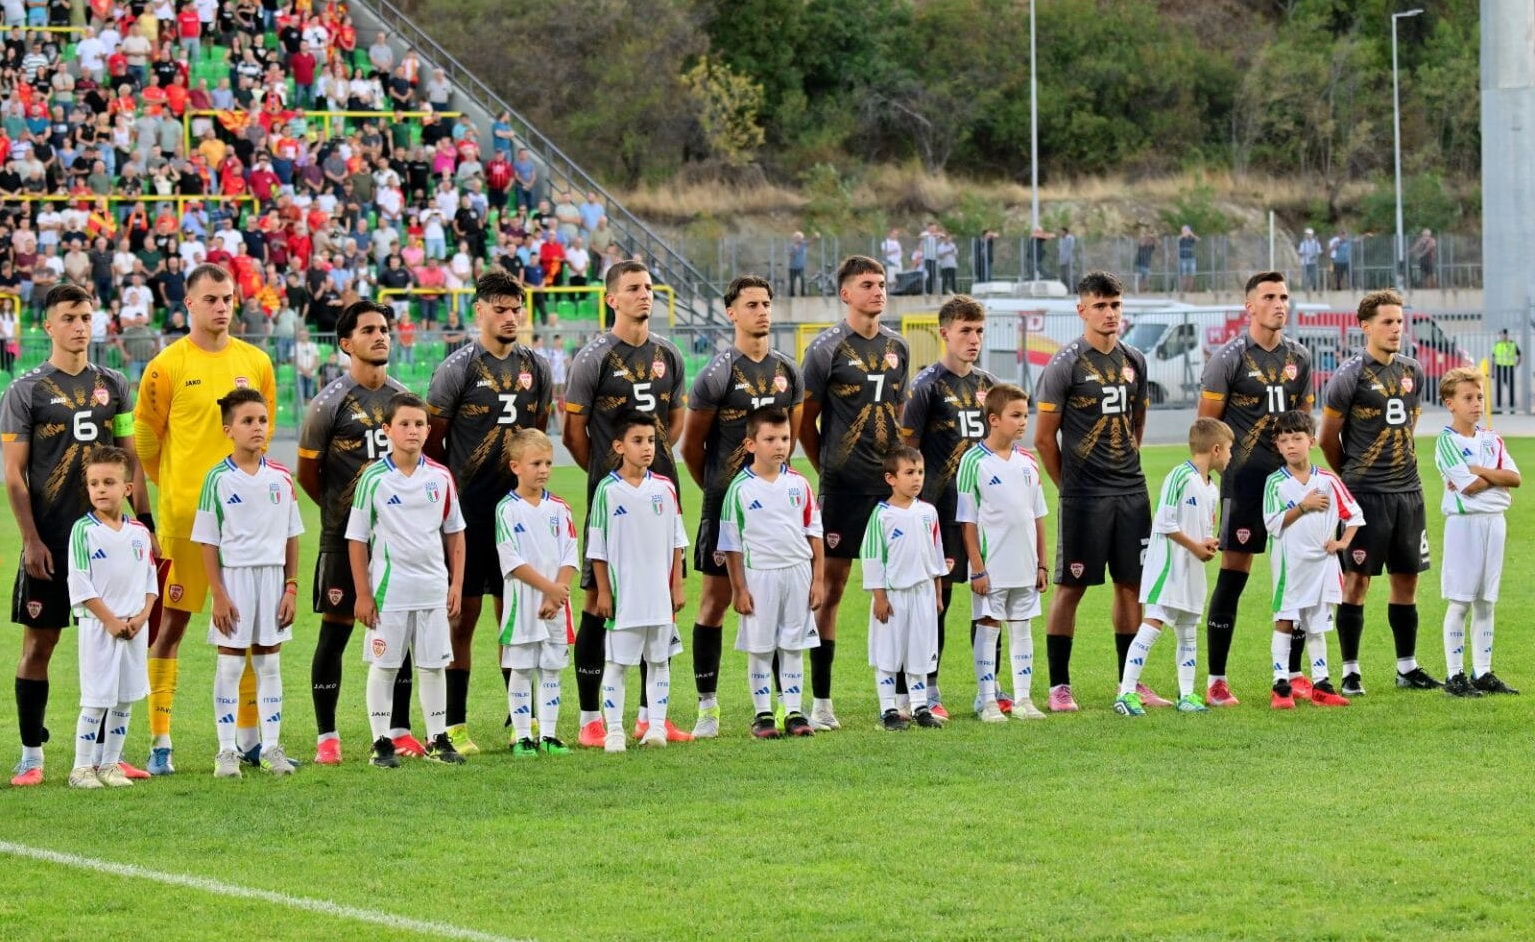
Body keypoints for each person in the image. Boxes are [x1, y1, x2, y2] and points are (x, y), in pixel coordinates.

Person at [134, 264, 277, 775]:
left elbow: (262, 431)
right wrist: (176, 488)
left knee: (251, 627)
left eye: (228, 298)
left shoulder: (256, 362)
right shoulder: (166, 366)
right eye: (211, 299)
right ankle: (160, 741)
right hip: (185, 522)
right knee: (170, 627)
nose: (221, 307)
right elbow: (145, 441)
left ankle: (250, 740)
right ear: (189, 304)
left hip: (247, 525)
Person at [5, 284, 149, 788]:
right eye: (68, 318)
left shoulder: (114, 384)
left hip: (109, 541)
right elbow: (13, 474)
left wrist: (145, 524)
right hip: (51, 538)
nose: (79, 326)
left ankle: (109, 757)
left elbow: (130, 459)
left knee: (117, 638)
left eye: (86, 317)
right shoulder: (26, 390)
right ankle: (31, 755)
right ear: (49, 326)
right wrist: (31, 540)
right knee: (40, 643)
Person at [425, 270, 551, 754]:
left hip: (517, 514)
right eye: (500, 309)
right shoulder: (457, 368)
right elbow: (434, 442)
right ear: (479, 311)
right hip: (469, 514)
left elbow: (536, 434)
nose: (510, 317)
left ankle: (521, 719)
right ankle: (454, 723)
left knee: (516, 616)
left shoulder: (536, 367)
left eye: (516, 309)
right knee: (463, 615)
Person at [564, 261, 687, 748]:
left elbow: (674, 422)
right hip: (612, 495)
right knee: (599, 602)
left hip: (658, 495)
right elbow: (574, 434)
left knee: (661, 599)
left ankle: (649, 718)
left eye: (649, 288)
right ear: (612, 299)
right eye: (633, 288)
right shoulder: (593, 358)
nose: (644, 295)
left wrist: (652, 465)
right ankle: (590, 718)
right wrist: (605, 470)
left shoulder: (668, 354)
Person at [299, 300, 424, 765]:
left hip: (397, 539)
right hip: (342, 537)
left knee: (401, 631)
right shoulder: (328, 403)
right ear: (346, 343)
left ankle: (400, 729)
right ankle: (327, 736)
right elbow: (308, 474)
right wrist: (345, 516)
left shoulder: (403, 398)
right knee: (335, 631)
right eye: (369, 330)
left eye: (384, 329)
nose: (380, 336)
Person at [679, 275, 802, 738]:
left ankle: (784, 708)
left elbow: (792, 436)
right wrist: (720, 492)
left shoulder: (788, 371)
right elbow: (692, 448)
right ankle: (707, 707)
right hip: (726, 508)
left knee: (777, 604)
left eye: (766, 303)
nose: (762, 311)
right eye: (752, 304)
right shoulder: (716, 374)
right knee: (714, 603)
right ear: (732, 313)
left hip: (777, 511)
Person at [1033, 271, 1152, 713]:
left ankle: (1130, 683)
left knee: (1131, 585)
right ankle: (1059, 687)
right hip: (1084, 496)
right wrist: (1069, 487)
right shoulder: (1065, 364)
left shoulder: (1135, 360)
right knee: (1072, 586)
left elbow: (1137, 421)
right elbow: (1044, 438)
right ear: (1081, 310)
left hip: (1131, 491)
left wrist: (1126, 462)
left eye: (1115, 305)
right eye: (1100, 305)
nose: (1109, 313)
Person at [798, 256, 909, 731]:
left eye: (881, 283)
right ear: (846, 294)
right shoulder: (825, 349)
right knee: (831, 590)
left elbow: (899, 415)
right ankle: (822, 702)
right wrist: (828, 465)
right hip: (843, 489)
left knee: (899, 587)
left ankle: (903, 696)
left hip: (889, 490)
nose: (878, 291)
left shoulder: (899, 347)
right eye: (867, 284)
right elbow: (804, 421)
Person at [1197, 272, 1314, 706]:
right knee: (1234, 575)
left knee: (1298, 576)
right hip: (1244, 484)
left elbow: (1304, 423)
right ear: (1250, 306)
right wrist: (1208, 480)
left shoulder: (1300, 357)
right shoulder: (1228, 359)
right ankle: (1216, 680)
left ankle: (1294, 675)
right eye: (1269, 297)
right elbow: (1206, 427)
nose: (1279, 304)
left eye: (1283, 296)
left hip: (1290, 485)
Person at [1319, 289, 1440, 696]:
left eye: (1399, 321)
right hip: (1365, 495)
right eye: (1387, 322)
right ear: (1365, 326)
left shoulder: (1411, 370)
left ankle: (1407, 667)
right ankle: (1351, 671)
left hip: (1408, 492)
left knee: (1407, 578)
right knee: (1356, 581)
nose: (1396, 329)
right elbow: (1327, 438)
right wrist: (1351, 477)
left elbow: (1409, 424)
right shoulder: (1349, 375)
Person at [346, 392, 468, 768]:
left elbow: (455, 533)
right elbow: (356, 539)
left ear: (428, 430)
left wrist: (456, 584)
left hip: (432, 589)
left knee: (433, 666)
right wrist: (363, 594)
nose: (412, 430)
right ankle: (381, 742)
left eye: (419, 424)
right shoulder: (374, 479)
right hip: (390, 591)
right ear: (387, 430)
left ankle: (438, 739)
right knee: (385, 667)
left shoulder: (440, 477)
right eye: (404, 424)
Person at [191, 388, 303, 777]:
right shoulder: (217, 479)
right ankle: (226, 751)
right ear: (229, 430)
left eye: (263, 420)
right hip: (234, 578)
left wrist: (291, 587)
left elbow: (292, 535)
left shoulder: (281, 477)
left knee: (270, 663)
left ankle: (271, 748)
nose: (257, 427)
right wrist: (218, 594)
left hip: (273, 579)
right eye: (248, 421)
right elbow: (208, 541)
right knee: (231, 665)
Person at [900, 295, 994, 718]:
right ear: (944, 333)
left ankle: (989, 687)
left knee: (989, 599)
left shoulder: (989, 386)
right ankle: (928, 688)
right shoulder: (926, 387)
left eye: (979, 331)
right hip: (941, 512)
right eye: (965, 331)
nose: (974, 339)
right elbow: (908, 453)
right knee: (938, 601)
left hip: (985, 515)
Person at [717, 406, 823, 739]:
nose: (780, 445)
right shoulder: (740, 489)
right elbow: (731, 545)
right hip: (760, 576)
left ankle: (794, 712)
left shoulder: (799, 484)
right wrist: (739, 589)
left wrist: (818, 579)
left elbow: (814, 532)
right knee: (760, 647)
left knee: (793, 645)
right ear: (751, 444)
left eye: (785, 438)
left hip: (797, 573)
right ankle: (763, 715)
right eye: (770, 439)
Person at [1113, 418, 1232, 716]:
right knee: (1153, 625)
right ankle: (1126, 693)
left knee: (1188, 631)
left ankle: (1187, 695)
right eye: (1230, 449)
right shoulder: (1179, 476)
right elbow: (1165, 523)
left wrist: (1207, 544)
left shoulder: (1211, 488)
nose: (1231, 456)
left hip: (1192, 570)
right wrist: (1195, 547)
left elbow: (1203, 528)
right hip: (1168, 568)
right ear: (1216, 449)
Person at [588, 410, 688, 753]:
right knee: (618, 663)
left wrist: (677, 585)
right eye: (638, 441)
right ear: (619, 446)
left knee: (659, 661)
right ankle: (614, 731)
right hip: (624, 595)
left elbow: (677, 540)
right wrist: (604, 591)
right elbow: (597, 548)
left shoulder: (665, 488)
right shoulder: (607, 491)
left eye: (651, 441)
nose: (647, 448)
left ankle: (656, 727)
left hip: (658, 594)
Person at [64, 446, 159, 789]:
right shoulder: (83, 531)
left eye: (109, 482)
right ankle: (81, 768)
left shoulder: (139, 532)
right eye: (94, 484)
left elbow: (150, 580)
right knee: (96, 700)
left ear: (127, 488)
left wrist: (142, 617)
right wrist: (109, 621)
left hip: (134, 628)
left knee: (124, 699)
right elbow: (80, 582)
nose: (100, 489)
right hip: (100, 628)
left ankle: (109, 765)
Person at [955, 384, 1047, 722]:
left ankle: (1023, 699)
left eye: (1025, 415)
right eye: (1016, 415)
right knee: (988, 625)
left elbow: (1037, 515)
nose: (1023, 422)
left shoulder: (1029, 461)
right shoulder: (973, 461)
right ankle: (988, 700)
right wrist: (977, 568)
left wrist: (1042, 564)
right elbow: (967, 521)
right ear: (994, 419)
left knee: (1022, 628)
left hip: (1025, 564)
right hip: (992, 566)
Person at [1262, 410, 1361, 709]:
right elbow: (1272, 523)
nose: (1291, 445)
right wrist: (1303, 506)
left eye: (1297, 439)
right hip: (1289, 566)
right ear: (1278, 446)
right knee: (1285, 620)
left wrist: (1342, 543)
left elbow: (1354, 515)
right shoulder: (1275, 483)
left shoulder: (1328, 480)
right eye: (1284, 441)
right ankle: (1281, 684)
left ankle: (1321, 683)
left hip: (1322, 566)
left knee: (1317, 626)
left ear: (1312, 441)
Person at [1433, 369, 1521, 697]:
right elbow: (1468, 487)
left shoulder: (1491, 439)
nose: (1476, 403)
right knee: (1460, 601)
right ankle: (1455, 675)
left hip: (1495, 522)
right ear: (1450, 403)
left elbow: (1514, 478)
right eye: (1468, 398)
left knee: (1486, 601)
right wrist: (1494, 480)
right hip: (1464, 525)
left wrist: (1481, 471)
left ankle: (1482, 672)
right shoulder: (1447, 441)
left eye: (1480, 397)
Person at [495, 429, 578, 757]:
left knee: (552, 668)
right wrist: (549, 590)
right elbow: (512, 562)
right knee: (522, 668)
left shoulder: (560, 508)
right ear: (516, 466)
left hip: (555, 606)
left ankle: (549, 734)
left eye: (548, 463)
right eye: (536, 463)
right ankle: (522, 736)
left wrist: (558, 594)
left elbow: (570, 553)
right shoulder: (507, 509)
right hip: (523, 606)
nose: (543, 470)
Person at [862, 447, 947, 732]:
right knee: (888, 654)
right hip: (894, 596)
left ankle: (920, 706)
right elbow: (872, 558)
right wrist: (879, 597)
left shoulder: (928, 513)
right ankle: (888, 709)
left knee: (920, 652)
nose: (917, 478)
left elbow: (936, 556)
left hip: (923, 594)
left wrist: (937, 594)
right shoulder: (882, 516)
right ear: (891, 478)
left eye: (920, 472)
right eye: (909, 473)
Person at [1492, 329, 1520, 414]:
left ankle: (1512, 408)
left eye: (1502, 335)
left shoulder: (1512, 344)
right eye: (1500, 335)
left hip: (1509, 368)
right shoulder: (1497, 344)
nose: (1501, 336)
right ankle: (1498, 409)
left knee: (1511, 388)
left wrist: (1516, 366)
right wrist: (1493, 371)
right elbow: (1493, 358)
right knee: (1498, 389)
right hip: (1499, 367)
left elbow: (1519, 355)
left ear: (1506, 335)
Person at [1177, 225, 1198, 293]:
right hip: (1183, 258)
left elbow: (1198, 240)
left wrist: (1192, 234)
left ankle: (1189, 290)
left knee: (1192, 274)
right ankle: (1182, 290)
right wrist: (1182, 235)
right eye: (1184, 230)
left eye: (1187, 230)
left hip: (1191, 258)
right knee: (1183, 274)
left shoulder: (1191, 239)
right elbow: (1176, 240)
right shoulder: (1181, 239)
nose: (1185, 232)